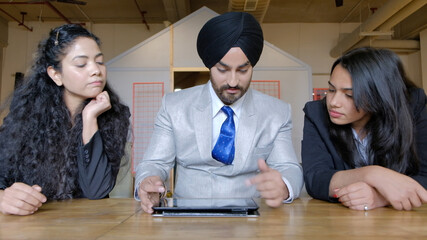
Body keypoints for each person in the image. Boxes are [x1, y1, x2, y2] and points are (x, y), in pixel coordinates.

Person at [135, 11, 303, 214]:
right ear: (209, 66)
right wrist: (149, 181)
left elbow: (290, 168)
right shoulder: (174, 106)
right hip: (186, 218)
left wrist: (284, 185)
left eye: (243, 70)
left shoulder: (276, 112)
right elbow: (154, 163)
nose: (233, 81)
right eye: (222, 69)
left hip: (250, 220)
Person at [0, 24, 130, 215]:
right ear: (56, 74)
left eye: (100, 61)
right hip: (32, 225)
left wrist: (90, 119)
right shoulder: (26, 115)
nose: (96, 70)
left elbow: (97, 191)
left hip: (88, 227)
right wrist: (4, 197)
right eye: (81, 64)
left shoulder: (115, 115)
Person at [302, 47, 427, 211]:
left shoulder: (414, 107)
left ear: (380, 95)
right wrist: (373, 175)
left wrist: (379, 196)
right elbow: (316, 179)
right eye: (331, 90)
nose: (333, 102)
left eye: (349, 95)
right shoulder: (317, 113)